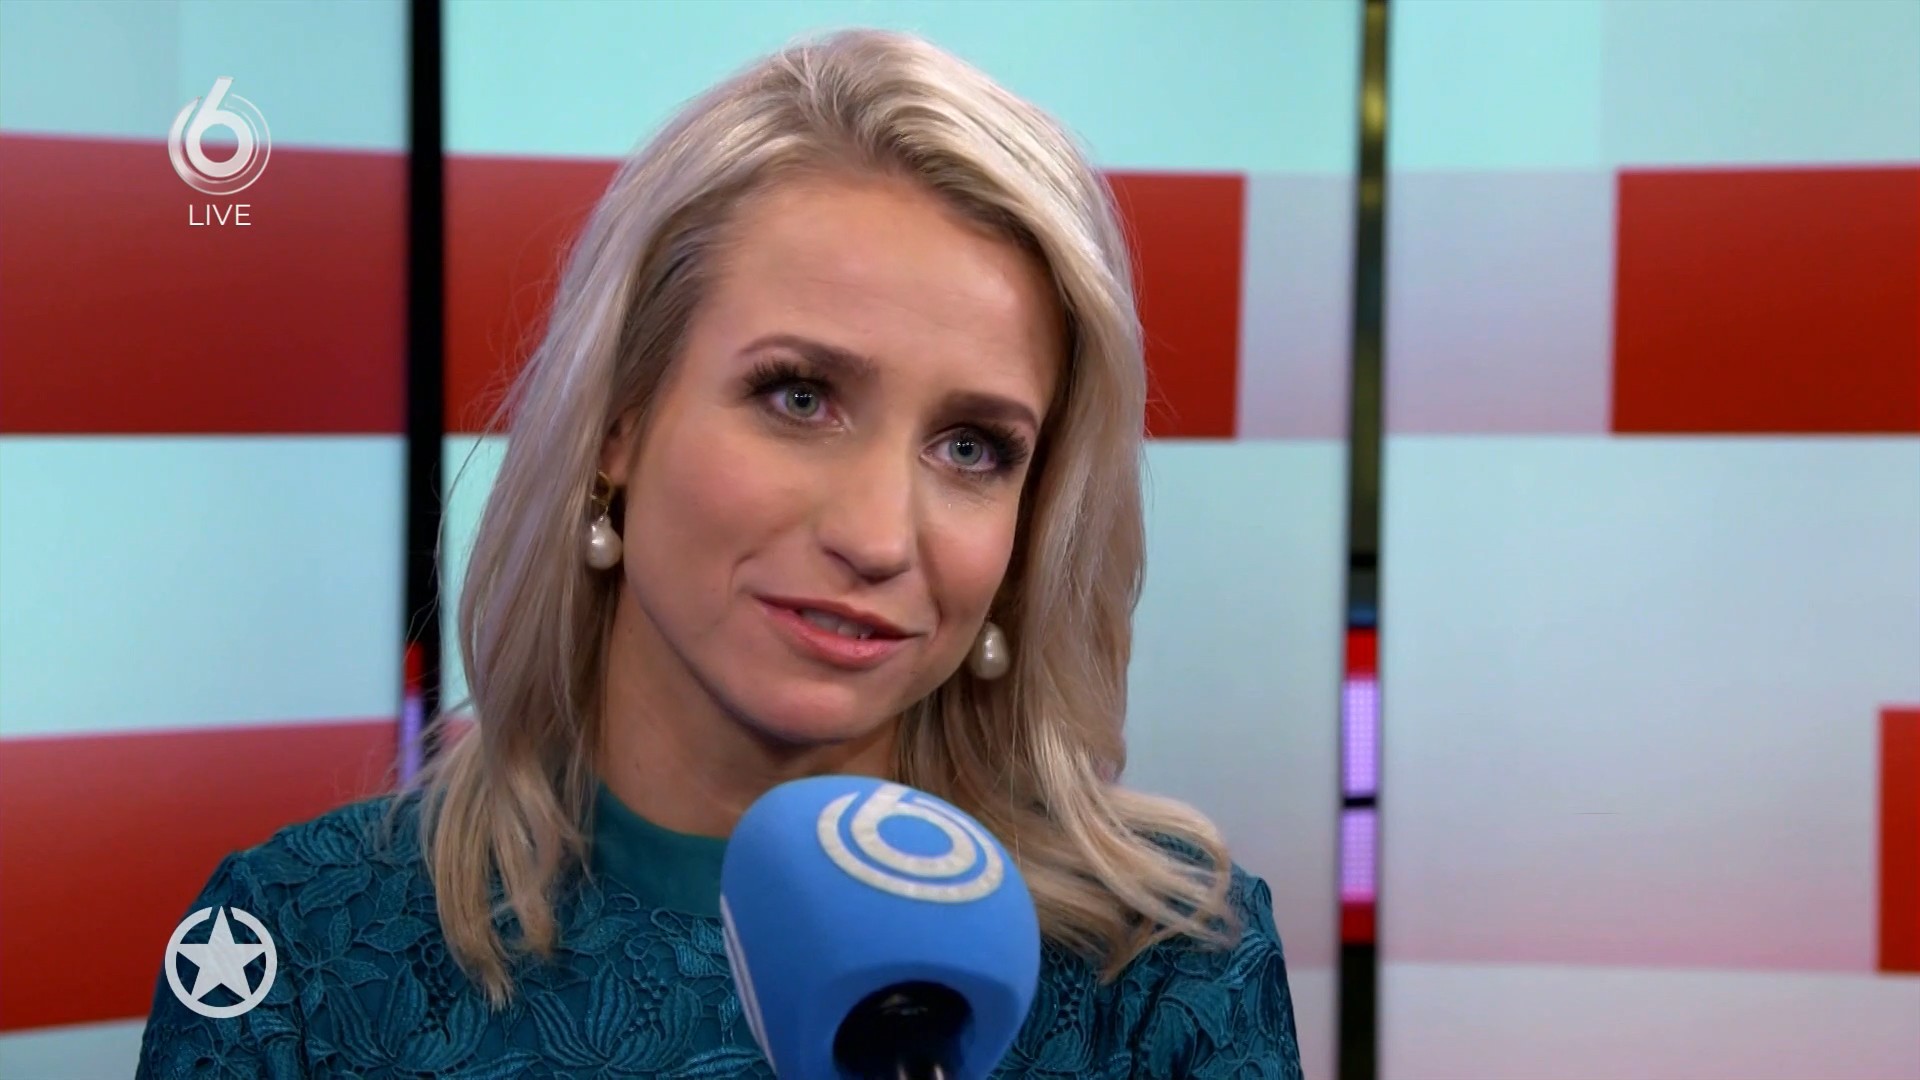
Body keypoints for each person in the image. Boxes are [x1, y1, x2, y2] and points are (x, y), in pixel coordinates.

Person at [137, 28, 1302, 1079]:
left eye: (972, 449)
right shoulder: (301, 956)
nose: (877, 537)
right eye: (799, 396)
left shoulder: (1165, 972)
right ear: (618, 422)